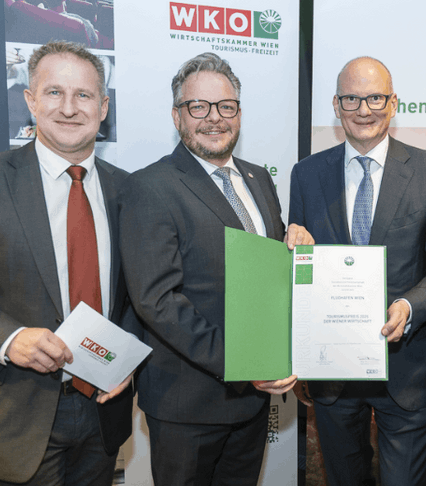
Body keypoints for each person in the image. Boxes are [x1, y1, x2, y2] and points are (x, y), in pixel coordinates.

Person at [119, 52, 314, 486]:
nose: (214, 118)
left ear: (239, 114)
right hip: (187, 405)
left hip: (253, 400)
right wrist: (242, 363)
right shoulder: (149, 187)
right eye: (198, 107)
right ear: (177, 116)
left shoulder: (259, 179)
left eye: (226, 106)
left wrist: (296, 247)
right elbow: (157, 301)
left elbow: (266, 275)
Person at [0, 40, 135, 485]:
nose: (69, 108)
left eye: (83, 95)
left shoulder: (129, 191)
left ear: (103, 107)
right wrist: (8, 338)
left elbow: (138, 293)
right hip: (12, 413)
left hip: (102, 412)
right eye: (54, 92)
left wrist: (127, 359)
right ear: (31, 101)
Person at [289, 56, 426, 486]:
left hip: (407, 368)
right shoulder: (306, 174)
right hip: (332, 371)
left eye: (375, 98)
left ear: (393, 102)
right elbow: (300, 268)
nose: (363, 109)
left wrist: (409, 306)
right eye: (351, 99)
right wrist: (292, 252)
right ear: (336, 104)